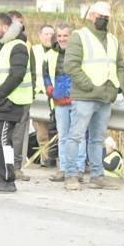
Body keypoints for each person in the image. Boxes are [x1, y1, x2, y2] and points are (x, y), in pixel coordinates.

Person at [60, 1, 124, 190]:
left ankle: (97, 176)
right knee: (76, 136)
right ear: (90, 16)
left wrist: (116, 86)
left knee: (98, 139)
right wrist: (89, 86)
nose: (103, 20)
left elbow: (120, 66)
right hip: (85, 96)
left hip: (105, 97)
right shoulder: (79, 37)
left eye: (106, 17)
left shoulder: (113, 40)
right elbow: (71, 65)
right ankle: (71, 175)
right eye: (100, 16)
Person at [0, 12, 32, 193]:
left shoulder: (17, 46)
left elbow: (16, 75)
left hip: (9, 103)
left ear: (4, 27)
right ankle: (7, 176)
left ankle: (7, 180)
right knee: (4, 143)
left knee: (2, 141)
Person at [47, 22, 79, 178]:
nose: (62, 39)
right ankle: (64, 168)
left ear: (70, 36)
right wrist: (51, 91)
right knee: (63, 136)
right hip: (59, 100)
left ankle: (78, 168)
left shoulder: (78, 53)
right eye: (59, 35)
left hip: (76, 99)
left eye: (65, 35)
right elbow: (46, 75)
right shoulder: (51, 55)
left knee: (77, 136)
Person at [31, 25, 59, 167]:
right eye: (46, 34)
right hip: (40, 98)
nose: (49, 37)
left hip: (56, 97)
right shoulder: (34, 51)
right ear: (40, 36)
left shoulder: (58, 51)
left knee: (57, 132)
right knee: (42, 134)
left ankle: (55, 160)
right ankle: (45, 159)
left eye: (51, 34)